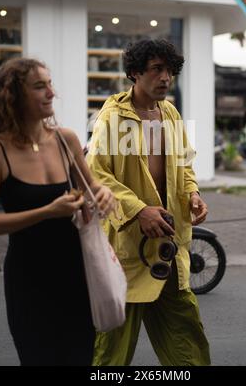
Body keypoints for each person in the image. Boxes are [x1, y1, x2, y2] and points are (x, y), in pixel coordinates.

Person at [87, 39, 211, 366]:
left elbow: (183, 163)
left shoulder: (169, 112)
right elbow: (95, 174)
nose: (166, 78)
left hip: (170, 247)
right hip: (128, 252)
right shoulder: (113, 117)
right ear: (134, 73)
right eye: (157, 69)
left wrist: (193, 193)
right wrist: (138, 209)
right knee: (113, 349)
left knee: (187, 339)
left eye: (170, 71)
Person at [0, 58, 115, 366]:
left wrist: (104, 195)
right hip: (29, 280)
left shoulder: (66, 139)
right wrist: (47, 211)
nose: (51, 93)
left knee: (82, 358)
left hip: (77, 274)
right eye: (39, 86)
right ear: (13, 95)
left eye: (50, 84)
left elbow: (93, 188)